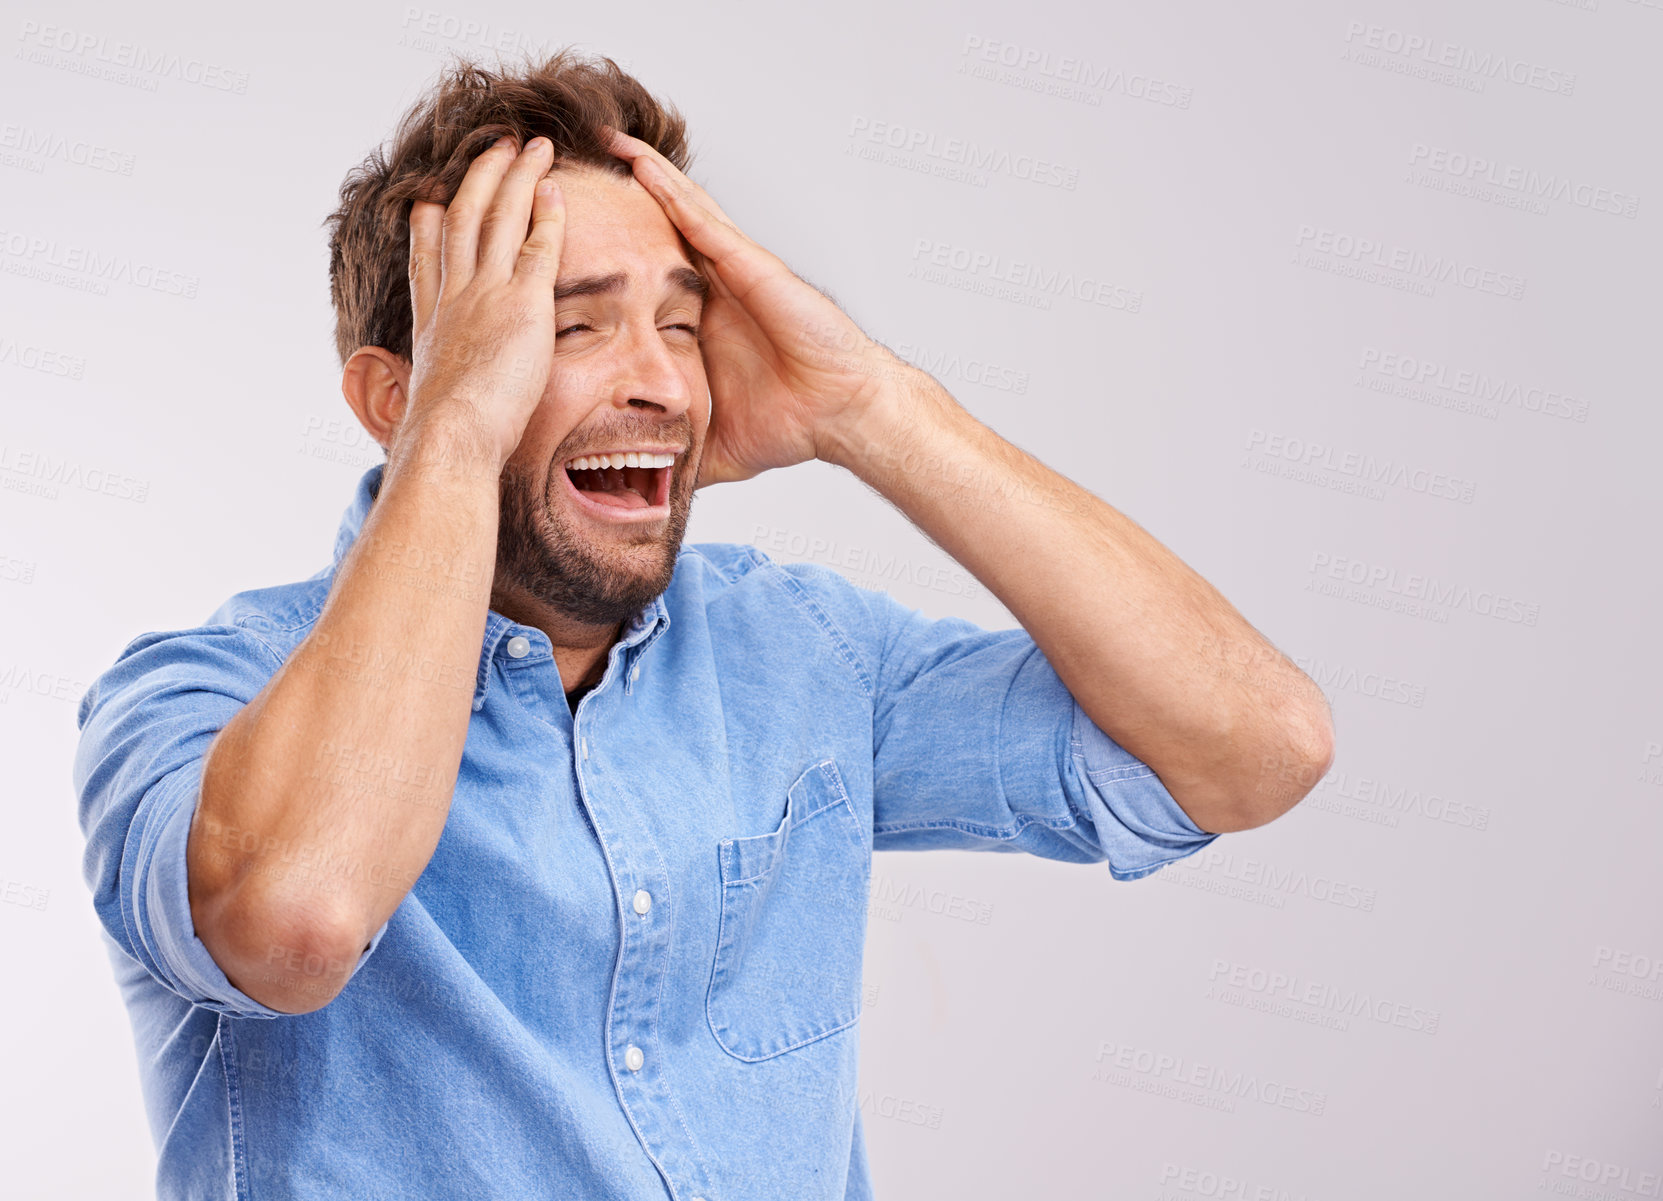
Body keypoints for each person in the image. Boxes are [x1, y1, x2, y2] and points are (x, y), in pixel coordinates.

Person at [73, 49, 1334, 1201]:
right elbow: (297, 920)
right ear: (389, 397)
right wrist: (454, 434)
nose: (662, 380)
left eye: (679, 323)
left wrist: (871, 408)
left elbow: (1255, 746)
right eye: (564, 326)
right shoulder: (199, 697)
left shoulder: (802, 652)